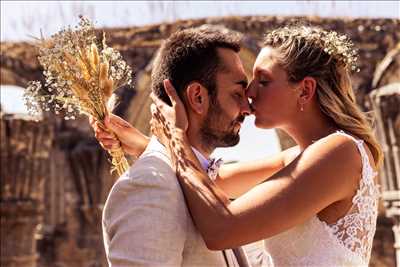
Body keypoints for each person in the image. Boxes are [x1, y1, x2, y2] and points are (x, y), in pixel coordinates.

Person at [97, 25, 383, 267]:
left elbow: (222, 229)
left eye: (264, 81)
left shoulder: (339, 153)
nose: (250, 93)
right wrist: (146, 146)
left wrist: (177, 137)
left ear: (305, 90)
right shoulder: (302, 158)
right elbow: (212, 180)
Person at [96, 25, 258, 266]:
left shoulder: (190, 176)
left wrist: (148, 147)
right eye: (237, 94)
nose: (248, 108)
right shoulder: (149, 185)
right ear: (198, 97)